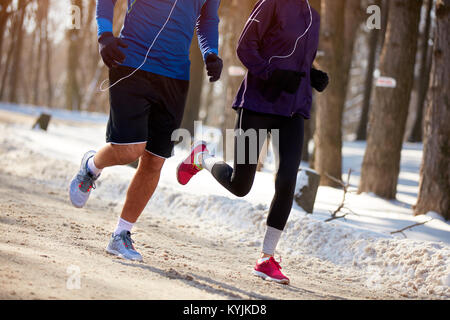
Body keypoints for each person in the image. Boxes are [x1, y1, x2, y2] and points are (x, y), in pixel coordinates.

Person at [176, 0, 328, 284]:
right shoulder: (271, 4)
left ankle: (266, 258)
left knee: (287, 181)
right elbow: (245, 48)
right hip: (257, 105)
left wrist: (313, 73)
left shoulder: (313, 15)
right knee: (240, 185)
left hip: (293, 111)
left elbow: (299, 58)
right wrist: (274, 74)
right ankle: (201, 158)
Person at [69, 0, 223, 261]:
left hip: (175, 75)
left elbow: (207, 18)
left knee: (154, 160)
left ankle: (121, 235)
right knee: (130, 149)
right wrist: (105, 34)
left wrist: (210, 52)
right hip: (132, 61)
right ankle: (91, 165)